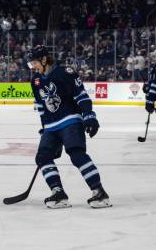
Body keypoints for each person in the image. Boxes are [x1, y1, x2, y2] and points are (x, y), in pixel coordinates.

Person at [27, 45, 111, 209]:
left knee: (76, 154)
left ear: (44, 59)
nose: (33, 67)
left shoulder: (65, 73)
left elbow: (81, 95)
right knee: (42, 157)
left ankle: (99, 192)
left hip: (70, 120)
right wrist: (45, 127)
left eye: (34, 63)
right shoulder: (35, 81)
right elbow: (42, 107)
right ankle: (58, 193)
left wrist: (89, 116)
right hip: (51, 126)